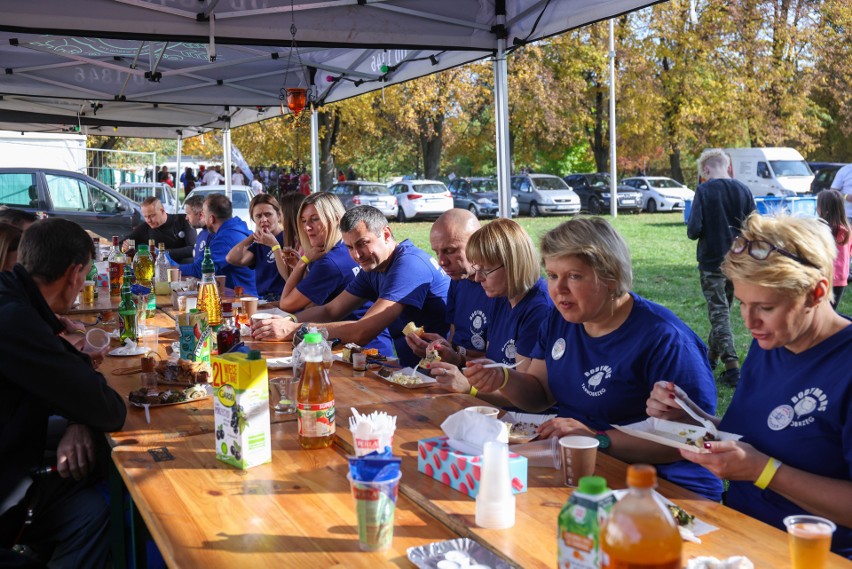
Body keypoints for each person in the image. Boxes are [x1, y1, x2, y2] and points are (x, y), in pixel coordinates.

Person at [463, 217, 723, 500]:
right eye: (552, 275)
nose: (558, 289)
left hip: (667, 489)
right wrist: (504, 378)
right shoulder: (560, 320)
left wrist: (597, 438)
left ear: (610, 278)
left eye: (574, 276)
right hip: (583, 468)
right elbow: (540, 395)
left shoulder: (665, 339)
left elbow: (693, 436)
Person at [647, 213, 852, 558]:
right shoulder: (772, 340)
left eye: (766, 307)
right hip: (734, 533)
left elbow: (763, 460)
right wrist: (692, 418)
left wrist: (765, 472)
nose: (749, 321)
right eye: (742, 302)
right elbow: (759, 438)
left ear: (816, 292)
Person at [0, 218, 126, 567]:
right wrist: (73, 372)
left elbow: (69, 388)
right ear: (73, 275)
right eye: (84, 275)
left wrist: (77, 416)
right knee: (98, 492)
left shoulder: (12, 299)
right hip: (8, 488)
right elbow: (109, 409)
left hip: (16, 445)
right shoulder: (16, 322)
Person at [251, 205, 449, 366]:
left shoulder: (408, 264)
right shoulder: (373, 266)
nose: (357, 254)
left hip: (444, 370)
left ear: (386, 234)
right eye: (350, 247)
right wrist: (286, 321)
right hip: (415, 369)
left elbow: (361, 331)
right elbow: (331, 310)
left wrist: (293, 329)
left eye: (363, 243)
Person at [420, 217, 549, 383]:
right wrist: (456, 358)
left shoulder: (538, 309)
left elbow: (529, 392)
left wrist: (468, 388)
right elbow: (493, 361)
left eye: (486, 270)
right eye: (476, 268)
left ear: (512, 264)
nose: (478, 277)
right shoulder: (502, 298)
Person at [276, 192, 393, 354]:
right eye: (303, 221)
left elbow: (286, 304)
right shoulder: (342, 251)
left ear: (336, 219)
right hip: (364, 345)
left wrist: (304, 261)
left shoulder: (330, 262)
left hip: (362, 350)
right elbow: (322, 308)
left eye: (315, 219)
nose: (307, 227)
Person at [688, 149, 755, 387]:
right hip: (737, 261)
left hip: (711, 261)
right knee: (722, 311)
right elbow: (753, 228)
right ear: (726, 166)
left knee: (719, 313)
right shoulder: (744, 190)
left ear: (706, 169)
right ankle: (710, 360)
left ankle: (732, 367)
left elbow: (693, 230)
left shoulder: (704, 191)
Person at [406, 209, 494, 365]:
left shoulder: (498, 289)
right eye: (437, 252)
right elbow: (455, 342)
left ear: (477, 242)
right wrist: (432, 353)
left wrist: (457, 359)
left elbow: (502, 363)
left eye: (450, 251)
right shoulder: (457, 280)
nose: (441, 261)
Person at [176, 194, 257, 295]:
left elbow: (200, 269)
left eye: (204, 215)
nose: (203, 219)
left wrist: (171, 267)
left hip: (241, 299)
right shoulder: (236, 228)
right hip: (242, 295)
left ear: (212, 219)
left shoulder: (225, 238)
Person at [225, 194, 290, 301]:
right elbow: (231, 258)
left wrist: (274, 245)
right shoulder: (259, 244)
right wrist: (253, 236)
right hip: (264, 299)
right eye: (258, 216)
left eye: (268, 214)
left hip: (284, 298)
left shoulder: (287, 238)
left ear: (278, 215)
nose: (264, 219)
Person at [121, 197, 197, 264]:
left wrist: (162, 253)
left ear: (162, 211)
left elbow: (193, 249)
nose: (149, 220)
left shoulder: (183, 221)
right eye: (146, 217)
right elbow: (120, 244)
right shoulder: (145, 228)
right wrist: (126, 246)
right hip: (158, 272)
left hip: (184, 270)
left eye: (152, 216)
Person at [817, 189, 852, 309]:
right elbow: (849, 253)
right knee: (832, 312)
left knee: (820, 312)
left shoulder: (820, 228)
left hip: (824, 276)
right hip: (841, 277)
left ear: (824, 209)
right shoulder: (847, 229)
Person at [177, 194, 209, 278]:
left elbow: (200, 269)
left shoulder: (214, 235)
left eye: (188, 214)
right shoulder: (202, 234)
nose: (186, 218)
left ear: (200, 214)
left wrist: (172, 268)